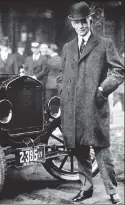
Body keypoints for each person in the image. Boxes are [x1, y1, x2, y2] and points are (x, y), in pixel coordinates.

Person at [57, 2, 124, 204]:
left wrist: (103, 90)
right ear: (72, 24)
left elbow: (119, 71)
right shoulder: (68, 48)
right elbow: (61, 75)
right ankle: (86, 188)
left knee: (101, 150)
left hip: (94, 107)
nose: (80, 26)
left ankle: (113, 192)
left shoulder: (104, 44)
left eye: (83, 22)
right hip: (72, 108)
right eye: (76, 23)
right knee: (79, 150)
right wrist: (63, 90)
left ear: (90, 20)